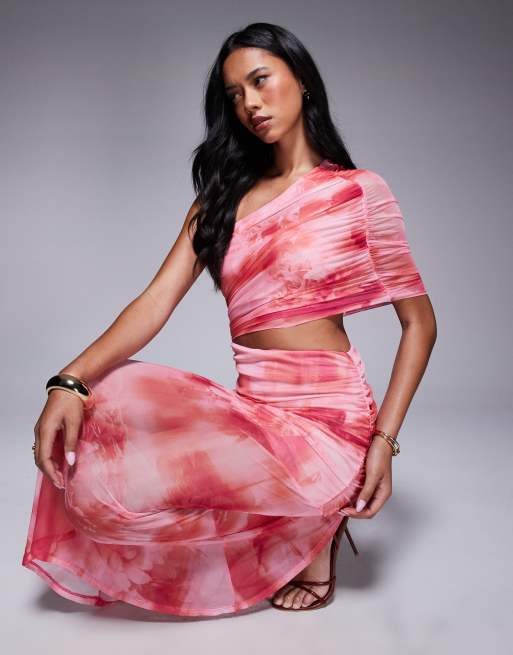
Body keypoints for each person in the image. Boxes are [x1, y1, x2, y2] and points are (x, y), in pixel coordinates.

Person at [22, 22, 437, 616]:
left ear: (302, 80)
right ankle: (302, 524)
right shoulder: (219, 203)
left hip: (331, 424)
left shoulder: (358, 193)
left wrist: (384, 443)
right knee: (107, 395)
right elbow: (154, 303)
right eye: (235, 94)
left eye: (261, 81)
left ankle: (316, 518)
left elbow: (420, 324)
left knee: (258, 488)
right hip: (255, 420)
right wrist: (69, 380)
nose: (251, 104)